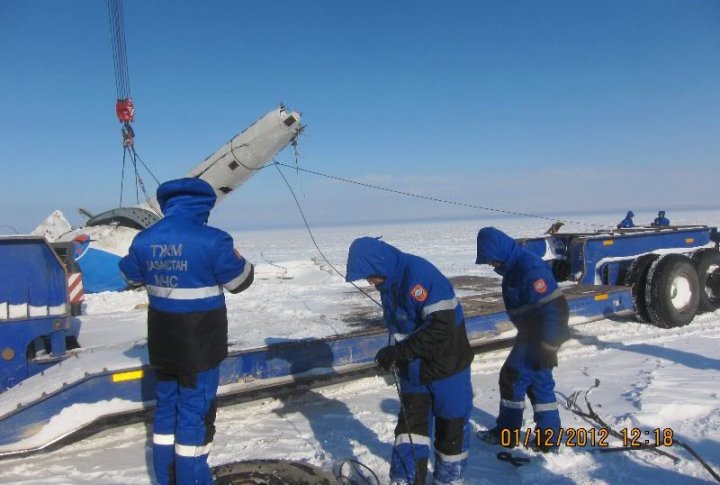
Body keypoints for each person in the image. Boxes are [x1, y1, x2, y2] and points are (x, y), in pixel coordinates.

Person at [119, 177, 254, 485]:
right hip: (200, 348)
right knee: (196, 417)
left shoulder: (143, 240)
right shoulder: (214, 240)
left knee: (167, 411)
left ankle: (166, 479)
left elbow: (130, 276)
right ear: (204, 205)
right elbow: (240, 282)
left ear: (167, 204)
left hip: (163, 345)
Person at [346, 237, 474, 485]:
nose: (369, 282)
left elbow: (442, 325)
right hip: (414, 370)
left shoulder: (419, 274)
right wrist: (395, 353)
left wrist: (399, 351)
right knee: (409, 429)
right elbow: (403, 325)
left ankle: (448, 479)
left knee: (451, 428)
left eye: (370, 276)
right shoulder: (387, 282)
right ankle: (404, 479)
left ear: (380, 264)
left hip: (447, 366)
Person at [475, 227, 569, 452]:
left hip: (538, 336)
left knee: (512, 378)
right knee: (540, 383)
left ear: (500, 251)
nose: (491, 265)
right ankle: (550, 439)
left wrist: (548, 346)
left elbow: (556, 308)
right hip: (532, 333)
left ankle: (506, 434)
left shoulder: (529, 268)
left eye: (492, 260)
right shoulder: (514, 265)